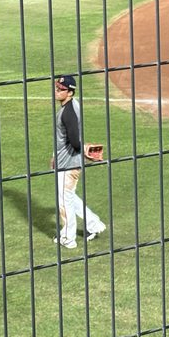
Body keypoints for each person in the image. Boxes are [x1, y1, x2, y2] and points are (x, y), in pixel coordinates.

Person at [51, 75, 107, 249]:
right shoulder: (73, 105)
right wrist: (55, 155)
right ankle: (94, 225)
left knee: (64, 202)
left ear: (70, 92)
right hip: (68, 162)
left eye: (61, 89)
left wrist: (82, 148)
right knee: (69, 197)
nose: (57, 91)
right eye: (57, 87)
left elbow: (74, 141)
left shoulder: (67, 113)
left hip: (68, 165)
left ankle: (68, 238)